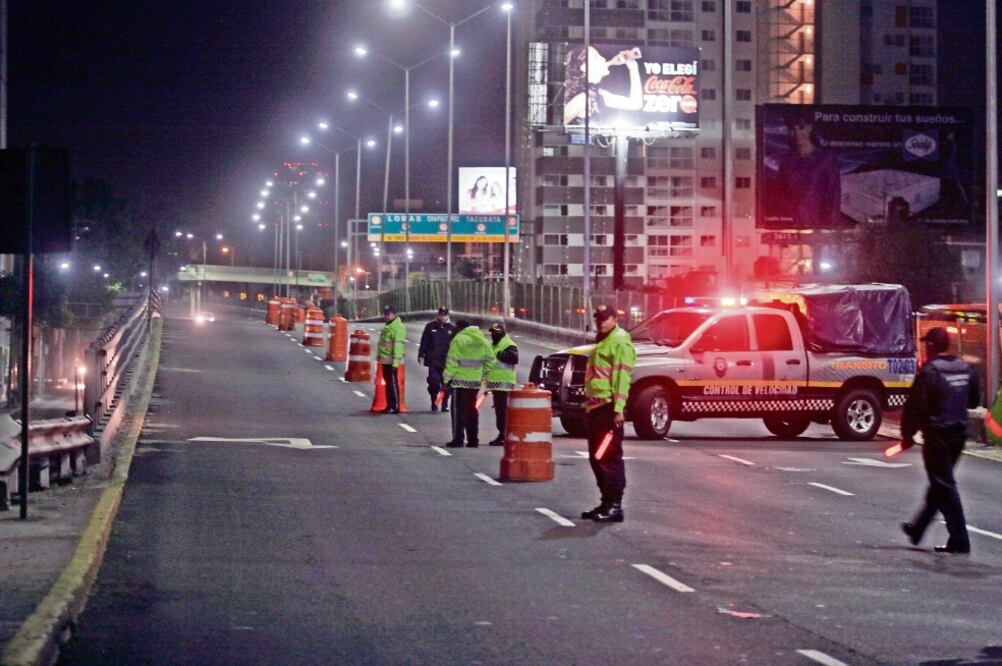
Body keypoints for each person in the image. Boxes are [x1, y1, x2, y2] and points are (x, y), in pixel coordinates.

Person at [900, 327, 979, 554]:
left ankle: (960, 539)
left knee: (944, 485)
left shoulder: (930, 371)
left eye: (926, 345)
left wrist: (907, 436)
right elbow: (974, 401)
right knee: (941, 484)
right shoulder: (966, 368)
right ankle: (917, 528)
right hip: (959, 435)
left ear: (931, 346)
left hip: (938, 437)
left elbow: (916, 407)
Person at [581, 305, 636, 523]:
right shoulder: (603, 339)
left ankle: (615, 505)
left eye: (605, 319)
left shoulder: (620, 341)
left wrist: (618, 409)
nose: (601, 322)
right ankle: (605, 502)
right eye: (598, 319)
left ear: (614, 318)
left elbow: (622, 377)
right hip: (596, 406)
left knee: (608, 457)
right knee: (596, 457)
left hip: (609, 407)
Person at [776, 114, 843, 229]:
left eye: (801, 128)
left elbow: (834, 195)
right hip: (790, 226)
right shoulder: (786, 161)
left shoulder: (826, 158)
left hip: (817, 225)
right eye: (793, 129)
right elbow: (780, 196)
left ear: (809, 127)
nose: (797, 134)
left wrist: (831, 228)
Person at [563, 45, 643, 127]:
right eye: (596, 57)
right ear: (584, 67)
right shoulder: (582, 99)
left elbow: (635, 104)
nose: (603, 59)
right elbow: (555, 128)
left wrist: (633, 69)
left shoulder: (596, 94)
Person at [443, 320, 494, 448]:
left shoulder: (458, 339)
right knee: (472, 411)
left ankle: (458, 439)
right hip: (475, 383)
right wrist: (482, 376)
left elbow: (452, 362)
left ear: (459, 328)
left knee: (458, 412)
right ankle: (473, 440)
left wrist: (446, 380)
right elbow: (490, 361)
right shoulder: (482, 340)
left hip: (459, 382)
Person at [485, 321, 518, 447]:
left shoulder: (508, 344)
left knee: (502, 412)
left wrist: (500, 354)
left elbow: (514, 359)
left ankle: (503, 435)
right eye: (492, 332)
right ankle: (502, 434)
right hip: (496, 383)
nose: (493, 335)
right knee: (500, 411)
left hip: (504, 383)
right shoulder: (495, 344)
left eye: (495, 332)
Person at [418, 307, 456, 412]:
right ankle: (434, 401)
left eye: (444, 315)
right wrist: (421, 354)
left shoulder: (452, 329)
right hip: (433, 361)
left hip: (447, 362)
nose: (442, 317)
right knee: (434, 383)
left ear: (447, 316)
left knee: (446, 384)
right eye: (441, 314)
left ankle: (444, 404)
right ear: (438, 315)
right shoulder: (430, 327)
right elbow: (424, 342)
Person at [376, 304, 406, 414]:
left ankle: (395, 406)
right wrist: (379, 356)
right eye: (385, 314)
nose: (386, 316)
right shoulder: (388, 326)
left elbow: (398, 346)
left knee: (392, 385)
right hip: (385, 360)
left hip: (391, 361)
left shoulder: (397, 327)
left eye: (388, 314)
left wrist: (396, 362)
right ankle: (390, 405)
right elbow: (383, 344)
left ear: (394, 314)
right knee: (388, 385)